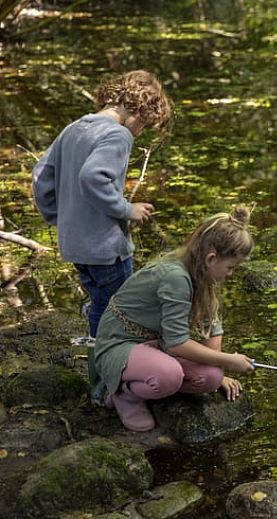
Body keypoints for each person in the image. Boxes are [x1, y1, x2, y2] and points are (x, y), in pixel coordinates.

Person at [32, 69, 173, 338]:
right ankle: (112, 368)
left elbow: (40, 176)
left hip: (76, 245)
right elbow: (93, 177)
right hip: (105, 247)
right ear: (138, 109)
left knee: (100, 304)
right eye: (143, 125)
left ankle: (97, 363)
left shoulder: (74, 128)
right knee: (122, 311)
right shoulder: (118, 135)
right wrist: (126, 209)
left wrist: (60, 218)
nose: (140, 132)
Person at [92, 206, 256, 432]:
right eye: (230, 267)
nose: (231, 274)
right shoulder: (176, 277)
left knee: (212, 377)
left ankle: (155, 382)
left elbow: (212, 326)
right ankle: (124, 394)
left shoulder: (201, 272)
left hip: (156, 344)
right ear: (211, 258)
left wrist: (221, 367)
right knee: (169, 375)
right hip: (121, 343)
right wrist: (229, 359)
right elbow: (177, 343)